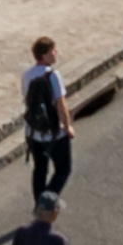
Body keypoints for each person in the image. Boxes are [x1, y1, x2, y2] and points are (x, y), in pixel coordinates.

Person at [19, 37, 79, 203]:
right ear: (44, 55)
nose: (56, 54)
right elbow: (61, 105)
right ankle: (46, 203)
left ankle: (39, 201)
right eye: (53, 51)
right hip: (54, 134)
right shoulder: (53, 76)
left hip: (33, 133)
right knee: (63, 169)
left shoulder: (27, 75)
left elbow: (26, 100)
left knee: (40, 169)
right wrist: (67, 128)